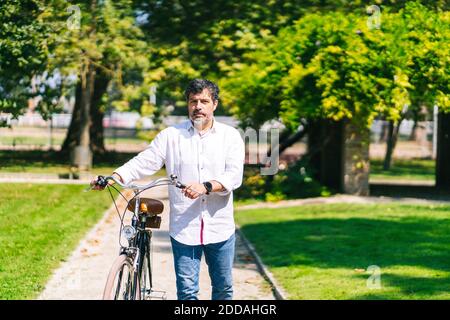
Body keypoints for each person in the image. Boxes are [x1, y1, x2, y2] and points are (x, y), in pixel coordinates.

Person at [91, 79, 245, 300]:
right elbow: (145, 161)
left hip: (219, 227)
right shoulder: (171, 136)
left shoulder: (230, 137)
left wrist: (206, 187)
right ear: (187, 104)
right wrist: (114, 177)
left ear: (215, 104)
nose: (198, 106)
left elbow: (233, 175)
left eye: (204, 101)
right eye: (193, 101)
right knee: (187, 292)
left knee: (223, 289)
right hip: (184, 228)